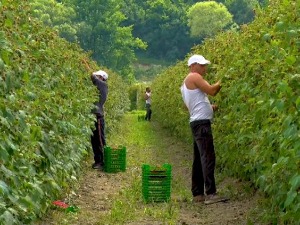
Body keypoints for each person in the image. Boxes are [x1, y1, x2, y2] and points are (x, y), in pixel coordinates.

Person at [180, 54, 228, 205]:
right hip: (202, 125)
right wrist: (225, 79)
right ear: (193, 65)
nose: (204, 68)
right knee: (208, 157)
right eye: (201, 65)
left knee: (199, 159)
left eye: (204, 65)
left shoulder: (185, 84)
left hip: (196, 122)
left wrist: (210, 107)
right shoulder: (194, 76)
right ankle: (211, 193)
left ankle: (198, 194)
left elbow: (192, 105)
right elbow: (212, 91)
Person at [90, 70, 108, 170]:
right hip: (93, 116)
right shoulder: (97, 86)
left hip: (98, 117)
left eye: (98, 75)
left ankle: (103, 161)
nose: (96, 77)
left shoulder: (103, 85)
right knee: (94, 140)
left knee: (100, 140)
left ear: (102, 77)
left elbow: (92, 77)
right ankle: (97, 161)